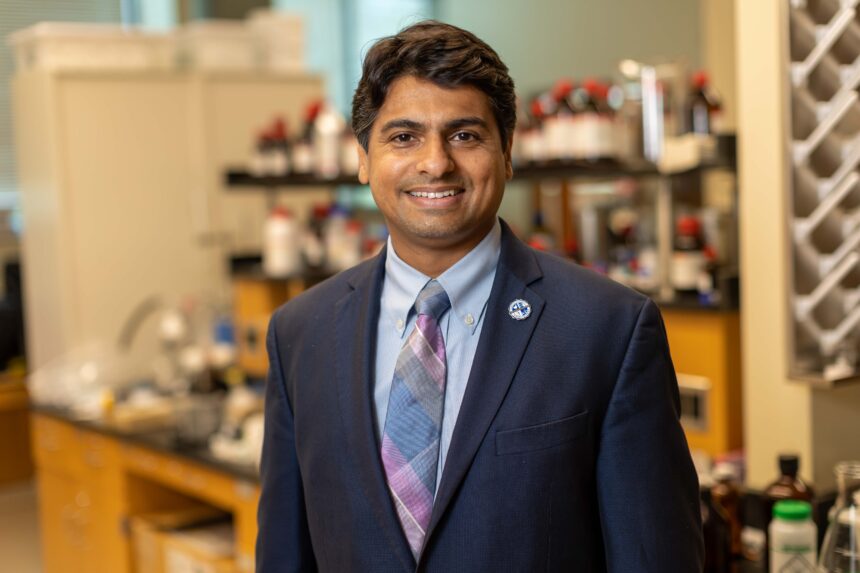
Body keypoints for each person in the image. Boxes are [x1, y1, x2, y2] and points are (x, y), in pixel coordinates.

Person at [256, 20, 703, 573]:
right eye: (403, 137)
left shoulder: (607, 330)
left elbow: (654, 559)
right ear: (363, 158)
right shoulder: (301, 333)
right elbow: (284, 554)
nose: (436, 163)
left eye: (465, 135)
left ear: (508, 152)